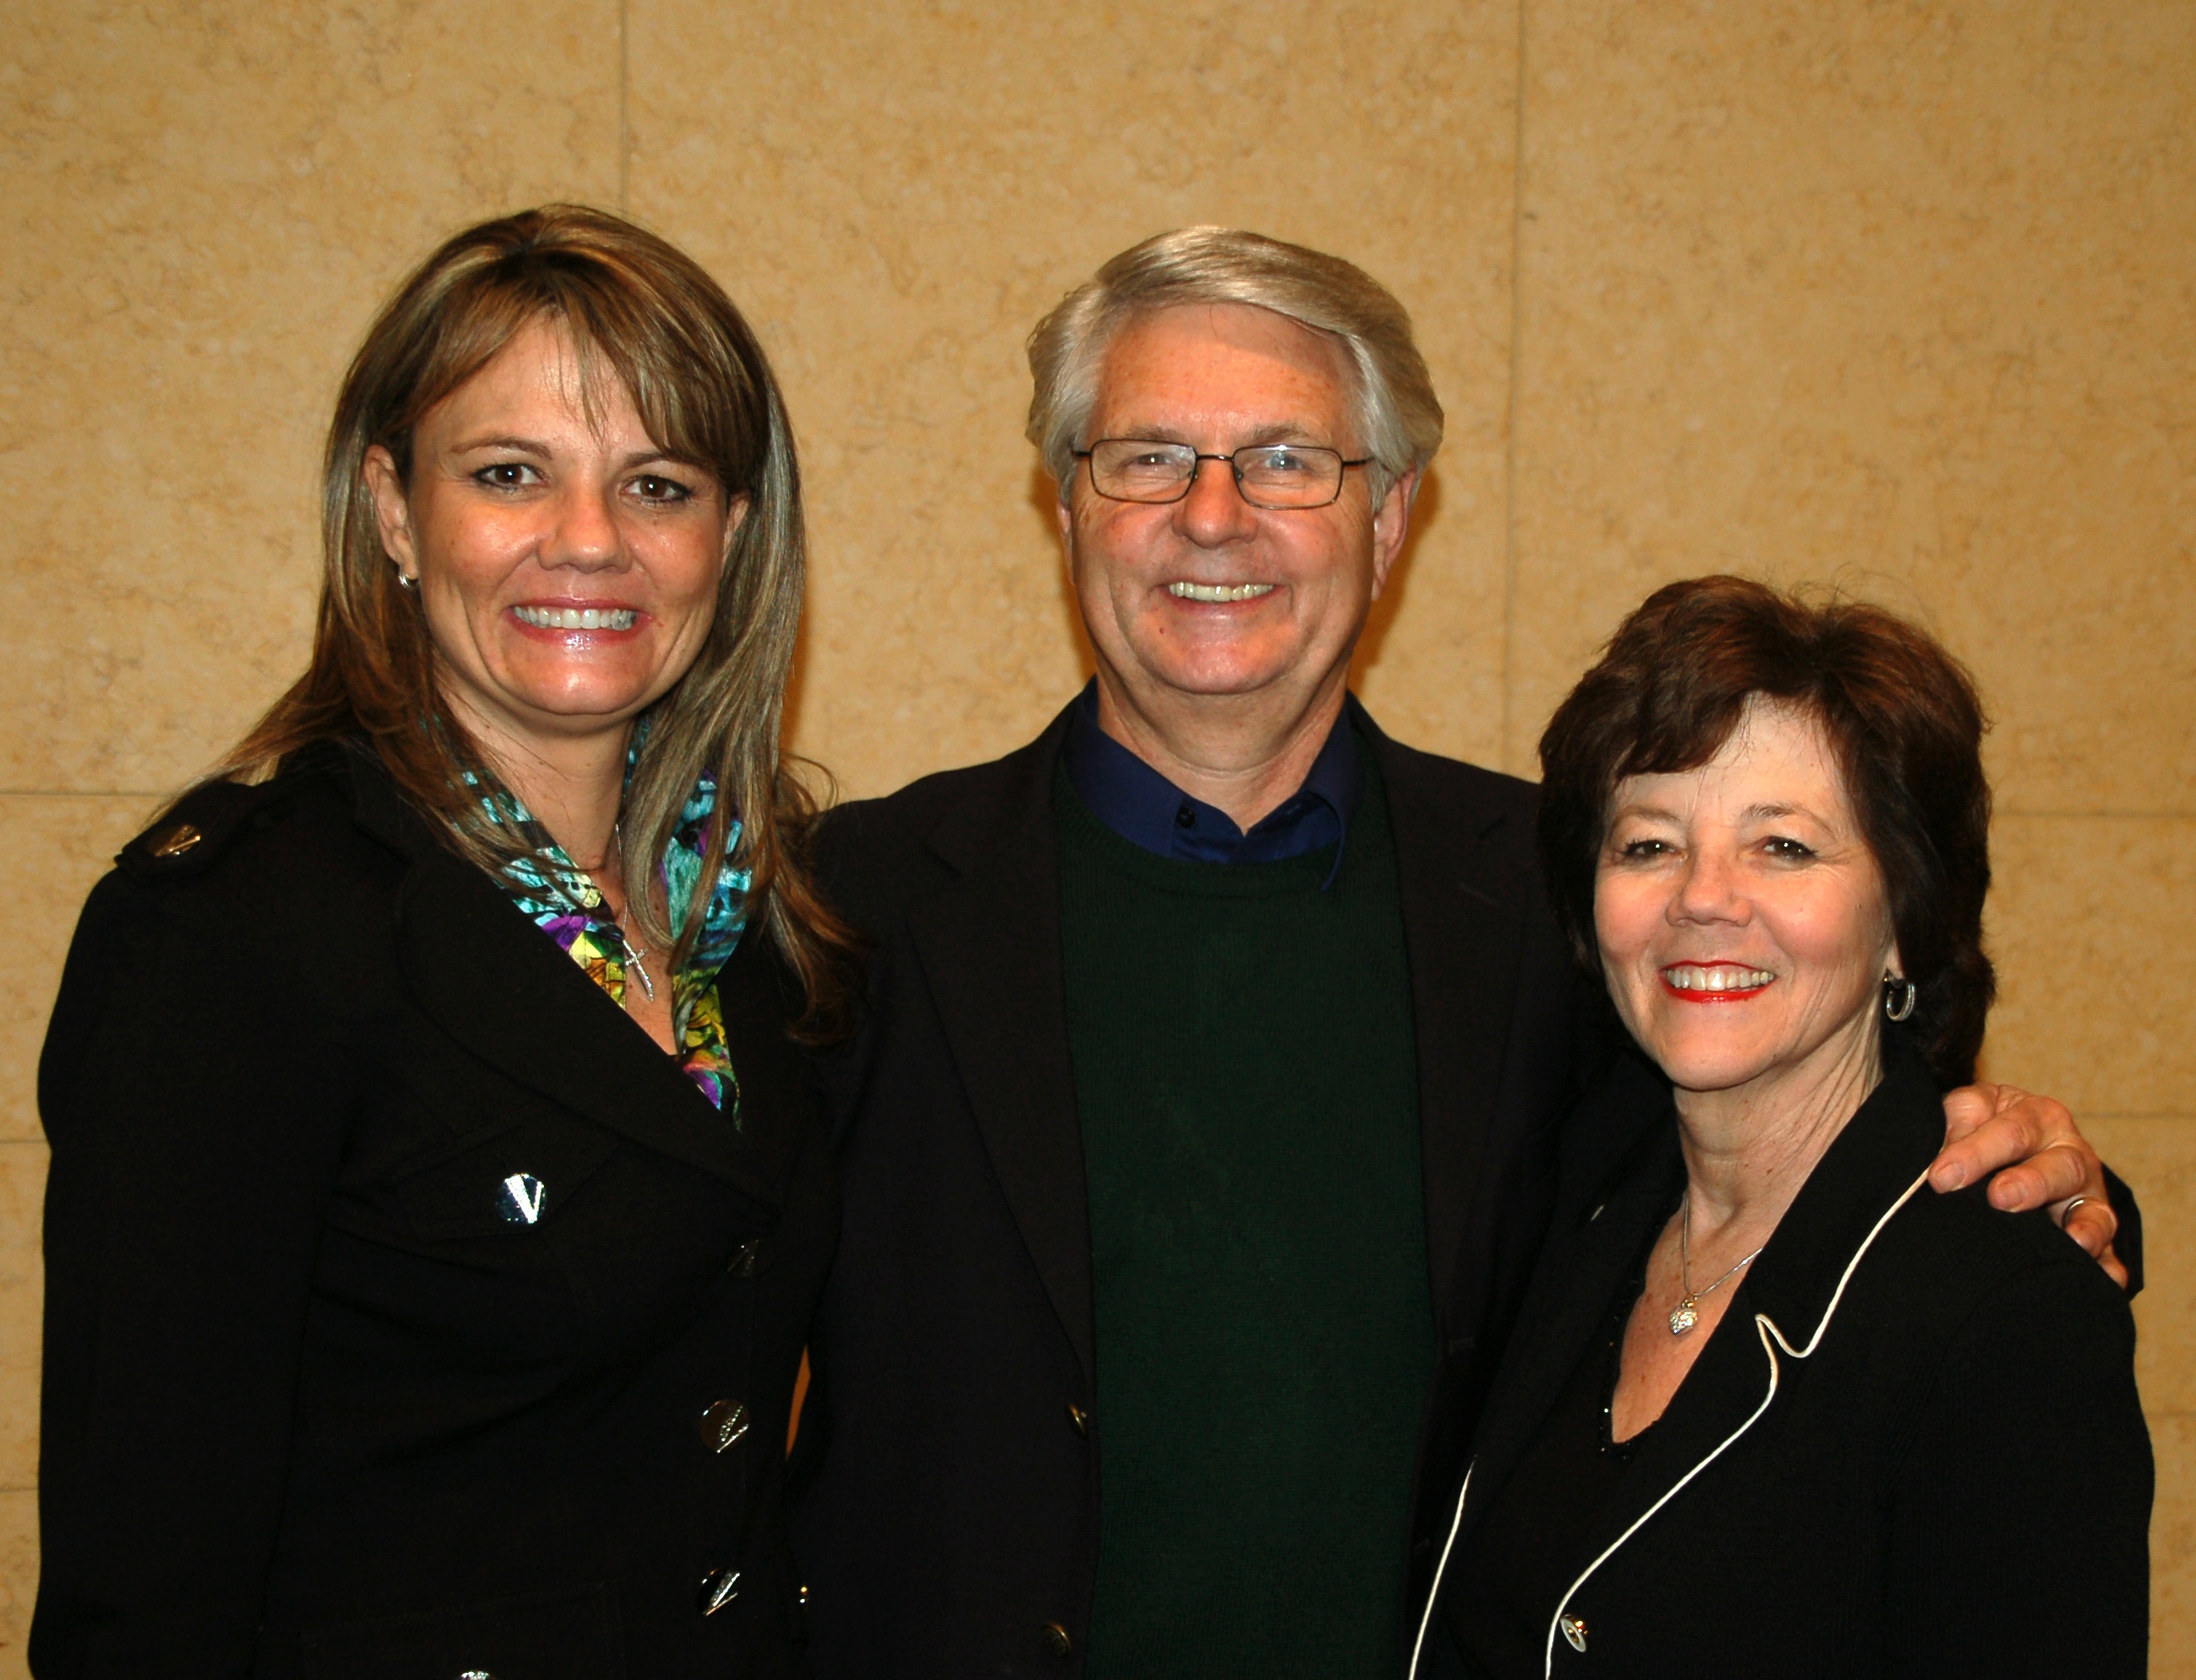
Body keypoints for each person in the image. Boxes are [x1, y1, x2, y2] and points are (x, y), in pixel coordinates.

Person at [788, 227, 2137, 1678]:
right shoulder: (852, 907)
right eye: (1148, 457)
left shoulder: (1563, 902)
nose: (1213, 516)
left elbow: (1789, 1165)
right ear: (1067, 504)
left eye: (1288, 461)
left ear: (1391, 517)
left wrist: (2045, 1191)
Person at [33, 206, 851, 1677]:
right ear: (394, 510)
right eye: (508, 473)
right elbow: (144, 1580)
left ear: (730, 536)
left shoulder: (763, 921)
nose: (589, 540)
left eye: (657, 484)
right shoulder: (237, 933)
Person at [1412, 577, 2152, 1677]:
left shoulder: (2004, 1316)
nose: (1702, 896)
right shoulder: (1576, 1188)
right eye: (1649, 844)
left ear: (1904, 919)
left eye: (1784, 846)